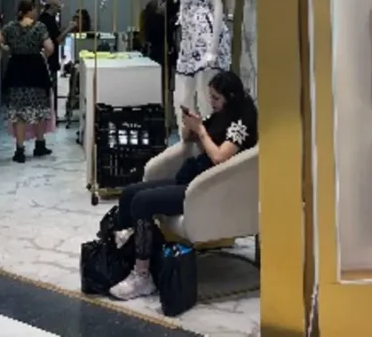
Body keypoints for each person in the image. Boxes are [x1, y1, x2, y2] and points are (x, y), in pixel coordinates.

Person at [107, 70, 258, 300]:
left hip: (208, 190)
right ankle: (128, 254)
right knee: (129, 193)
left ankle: (142, 275)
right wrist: (191, 126)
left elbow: (220, 157)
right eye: (211, 96)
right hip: (194, 179)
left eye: (216, 98)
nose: (212, 102)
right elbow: (192, 139)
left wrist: (201, 131)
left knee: (142, 203)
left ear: (230, 97)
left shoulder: (242, 122)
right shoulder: (221, 114)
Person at [0, 0, 55, 162]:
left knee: (19, 111)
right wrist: (42, 54)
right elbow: (50, 48)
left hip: (16, 70)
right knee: (38, 107)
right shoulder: (39, 27)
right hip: (36, 70)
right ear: (30, 10)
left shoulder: (10, 27)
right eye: (34, 8)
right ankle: (40, 144)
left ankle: (19, 150)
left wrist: (7, 48)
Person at [38, 0, 76, 113]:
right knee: (51, 88)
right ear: (53, 7)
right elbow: (57, 40)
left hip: (45, 58)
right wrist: (69, 28)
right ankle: (51, 114)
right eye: (58, 8)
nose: (58, 10)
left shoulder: (43, 19)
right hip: (49, 60)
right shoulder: (49, 21)